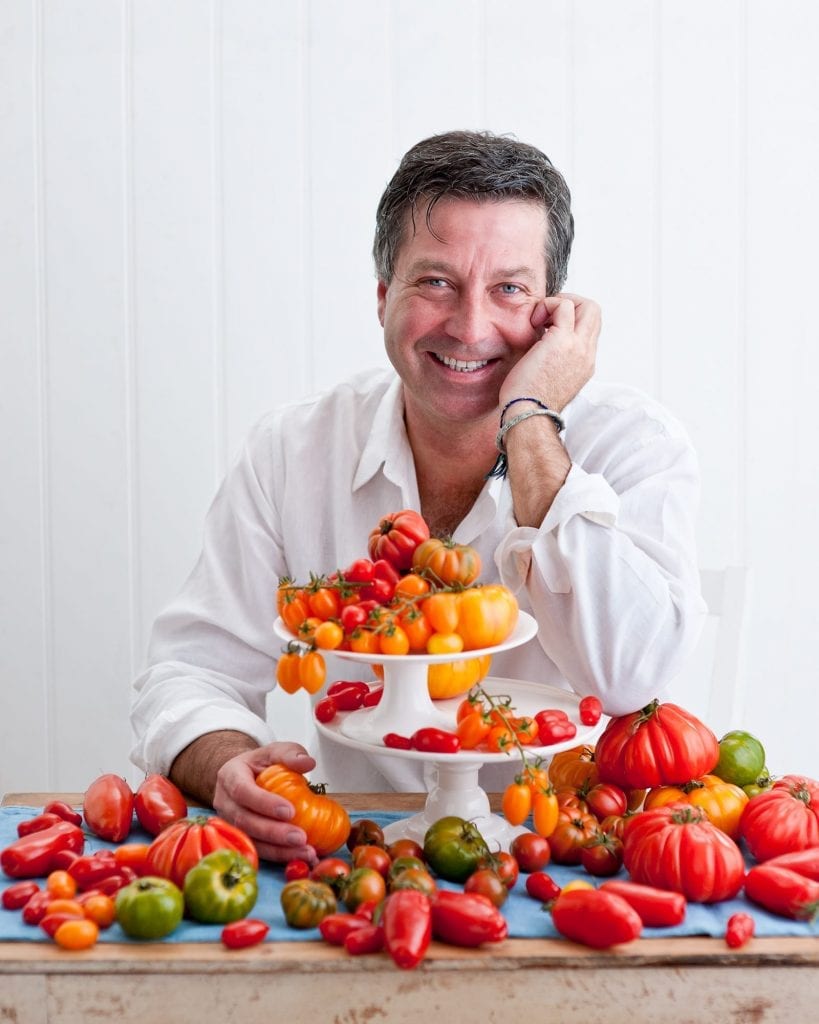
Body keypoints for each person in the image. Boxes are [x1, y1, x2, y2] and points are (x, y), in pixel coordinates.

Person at [130, 130, 706, 863]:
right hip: (361, 857)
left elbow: (629, 677)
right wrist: (223, 765)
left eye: (508, 289)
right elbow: (192, 668)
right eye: (434, 281)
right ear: (382, 298)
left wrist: (529, 421)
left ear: (553, 314)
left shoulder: (633, 444)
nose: (469, 327)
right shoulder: (292, 450)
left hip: (574, 858)